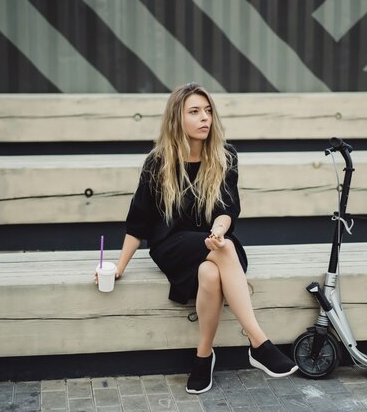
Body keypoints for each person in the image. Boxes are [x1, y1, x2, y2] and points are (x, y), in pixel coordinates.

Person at [99, 83, 297, 394]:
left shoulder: (224, 156)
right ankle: (258, 342)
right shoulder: (158, 162)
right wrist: (119, 266)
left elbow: (228, 209)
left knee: (211, 270)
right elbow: (138, 222)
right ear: (177, 118)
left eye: (207, 111)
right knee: (224, 250)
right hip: (172, 245)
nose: (204, 118)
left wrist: (218, 231)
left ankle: (203, 357)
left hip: (216, 245)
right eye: (194, 111)